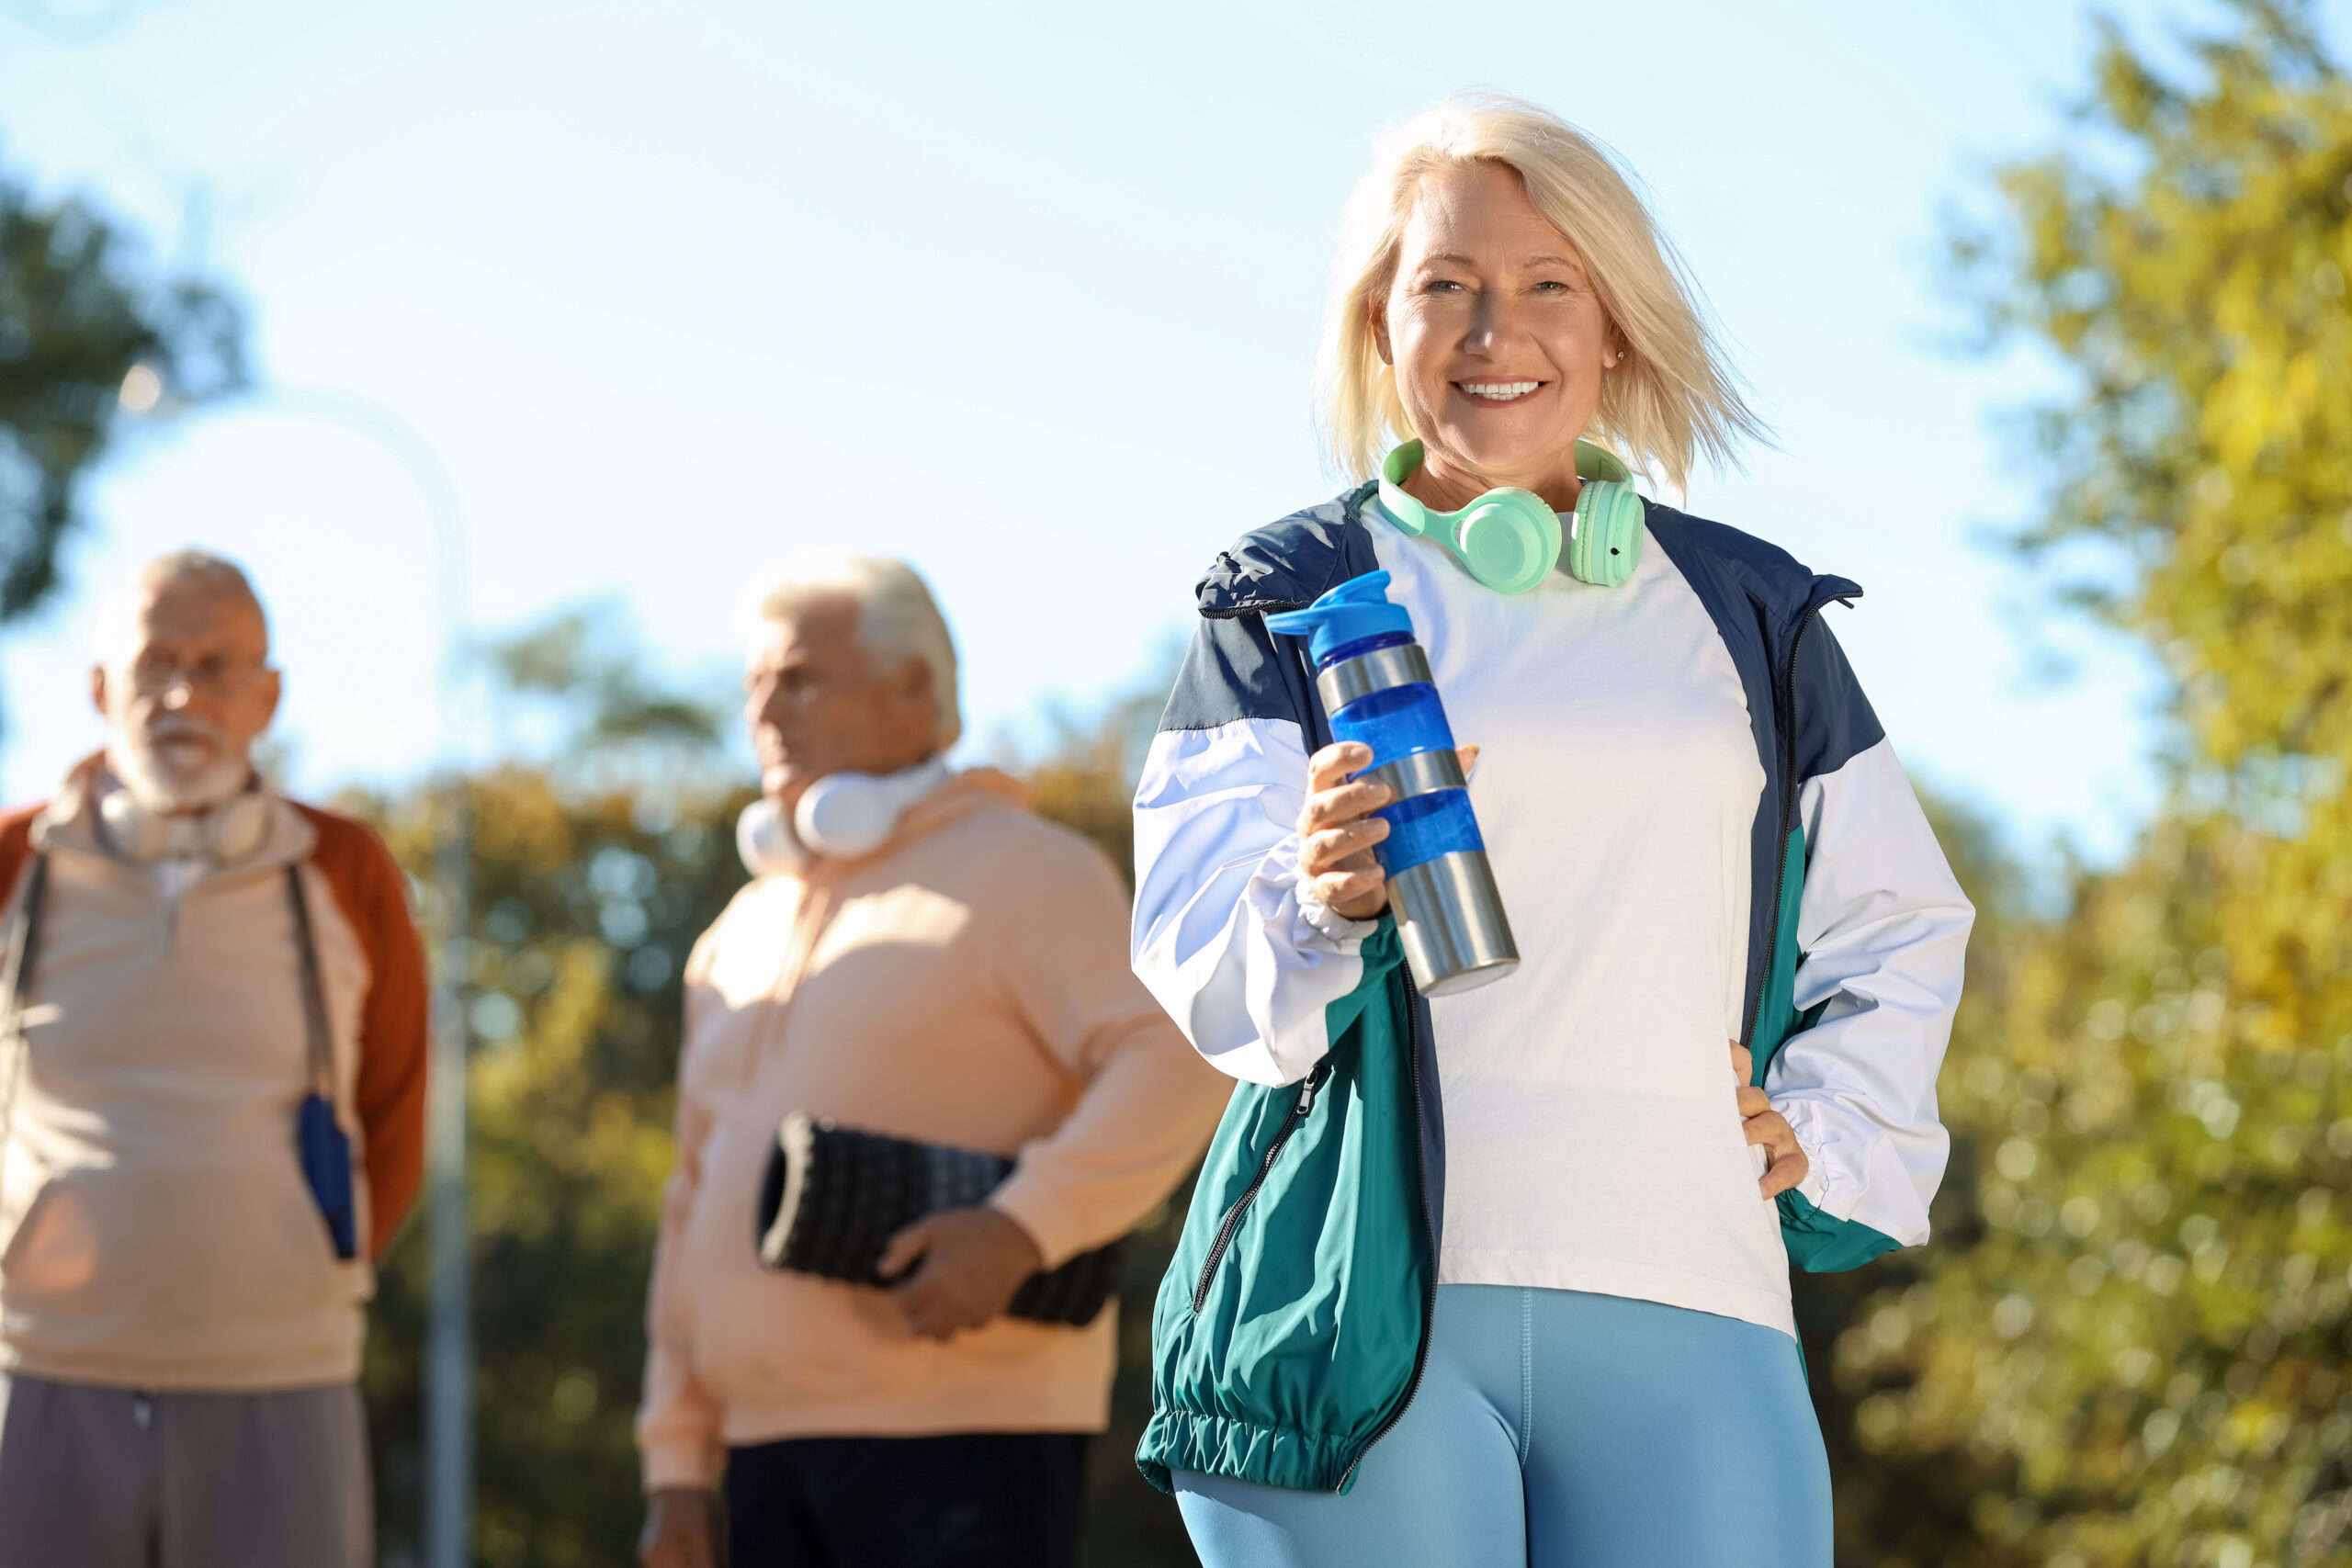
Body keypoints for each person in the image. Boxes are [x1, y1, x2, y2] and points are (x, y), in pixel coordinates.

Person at [1130, 94, 1975, 1567]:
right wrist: (1320, 891)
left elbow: (1902, 920)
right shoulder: (1285, 600)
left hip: (1693, 1302)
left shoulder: (1751, 614)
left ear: (1616, 329)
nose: (1489, 332)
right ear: (1379, 331)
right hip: (1356, 1327)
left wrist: (1826, 1133)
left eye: (1544, 286)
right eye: (1442, 287)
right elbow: (1204, 967)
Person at [635, 555, 1229, 1568]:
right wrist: (677, 1466)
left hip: (968, 1435)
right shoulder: (740, 927)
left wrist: (1020, 1227)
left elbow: (1180, 1055)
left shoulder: (1025, 870)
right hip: (758, 1451)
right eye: (754, 686)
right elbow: (692, 1196)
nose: (766, 711)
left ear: (916, 687)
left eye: (800, 678)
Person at [0, 549, 429, 1566]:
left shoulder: (345, 867)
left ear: (267, 696)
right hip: (41, 1369)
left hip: (281, 1375)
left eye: (219, 665)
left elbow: (395, 1111)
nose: (185, 693)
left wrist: (306, 1277)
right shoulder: (13, 861)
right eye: (155, 664)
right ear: (101, 688)